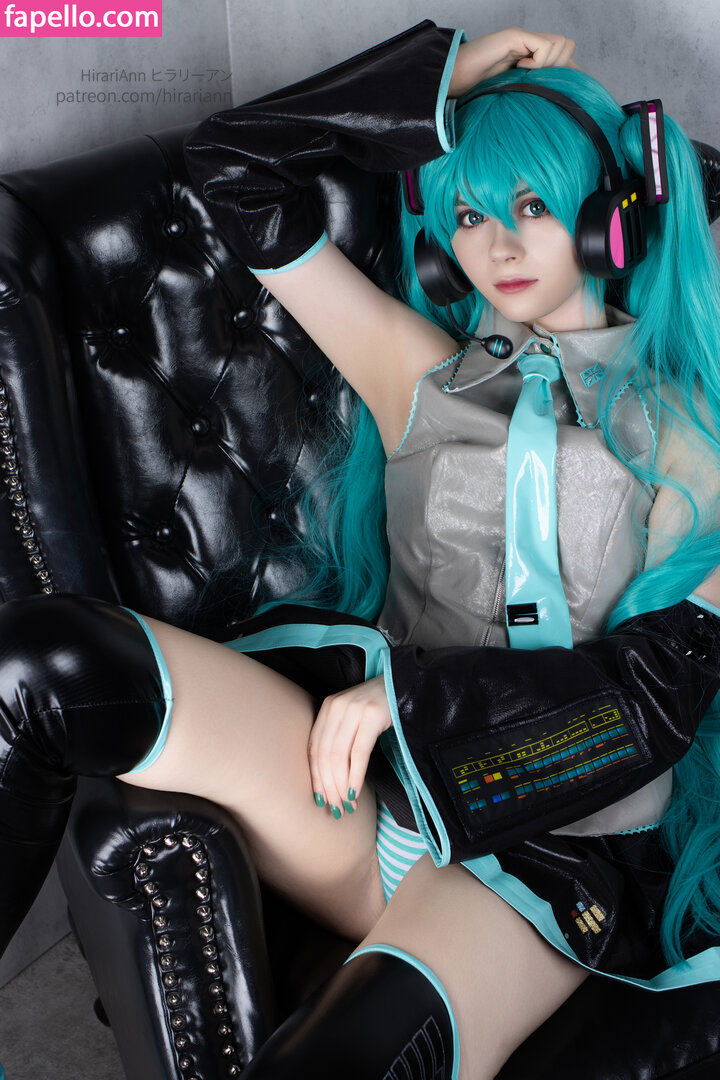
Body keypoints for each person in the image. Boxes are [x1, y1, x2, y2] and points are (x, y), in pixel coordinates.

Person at [2, 19, 720, 1080]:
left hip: (535, 850)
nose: (497, 247)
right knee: (43, 662)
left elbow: (659, 690)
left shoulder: (687, 437)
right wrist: (445, 71)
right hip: (351, 787)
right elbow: (231, 168)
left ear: (606, 219)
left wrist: (413, 701)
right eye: (469, 215)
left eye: (531, 206)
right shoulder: (416, 372)